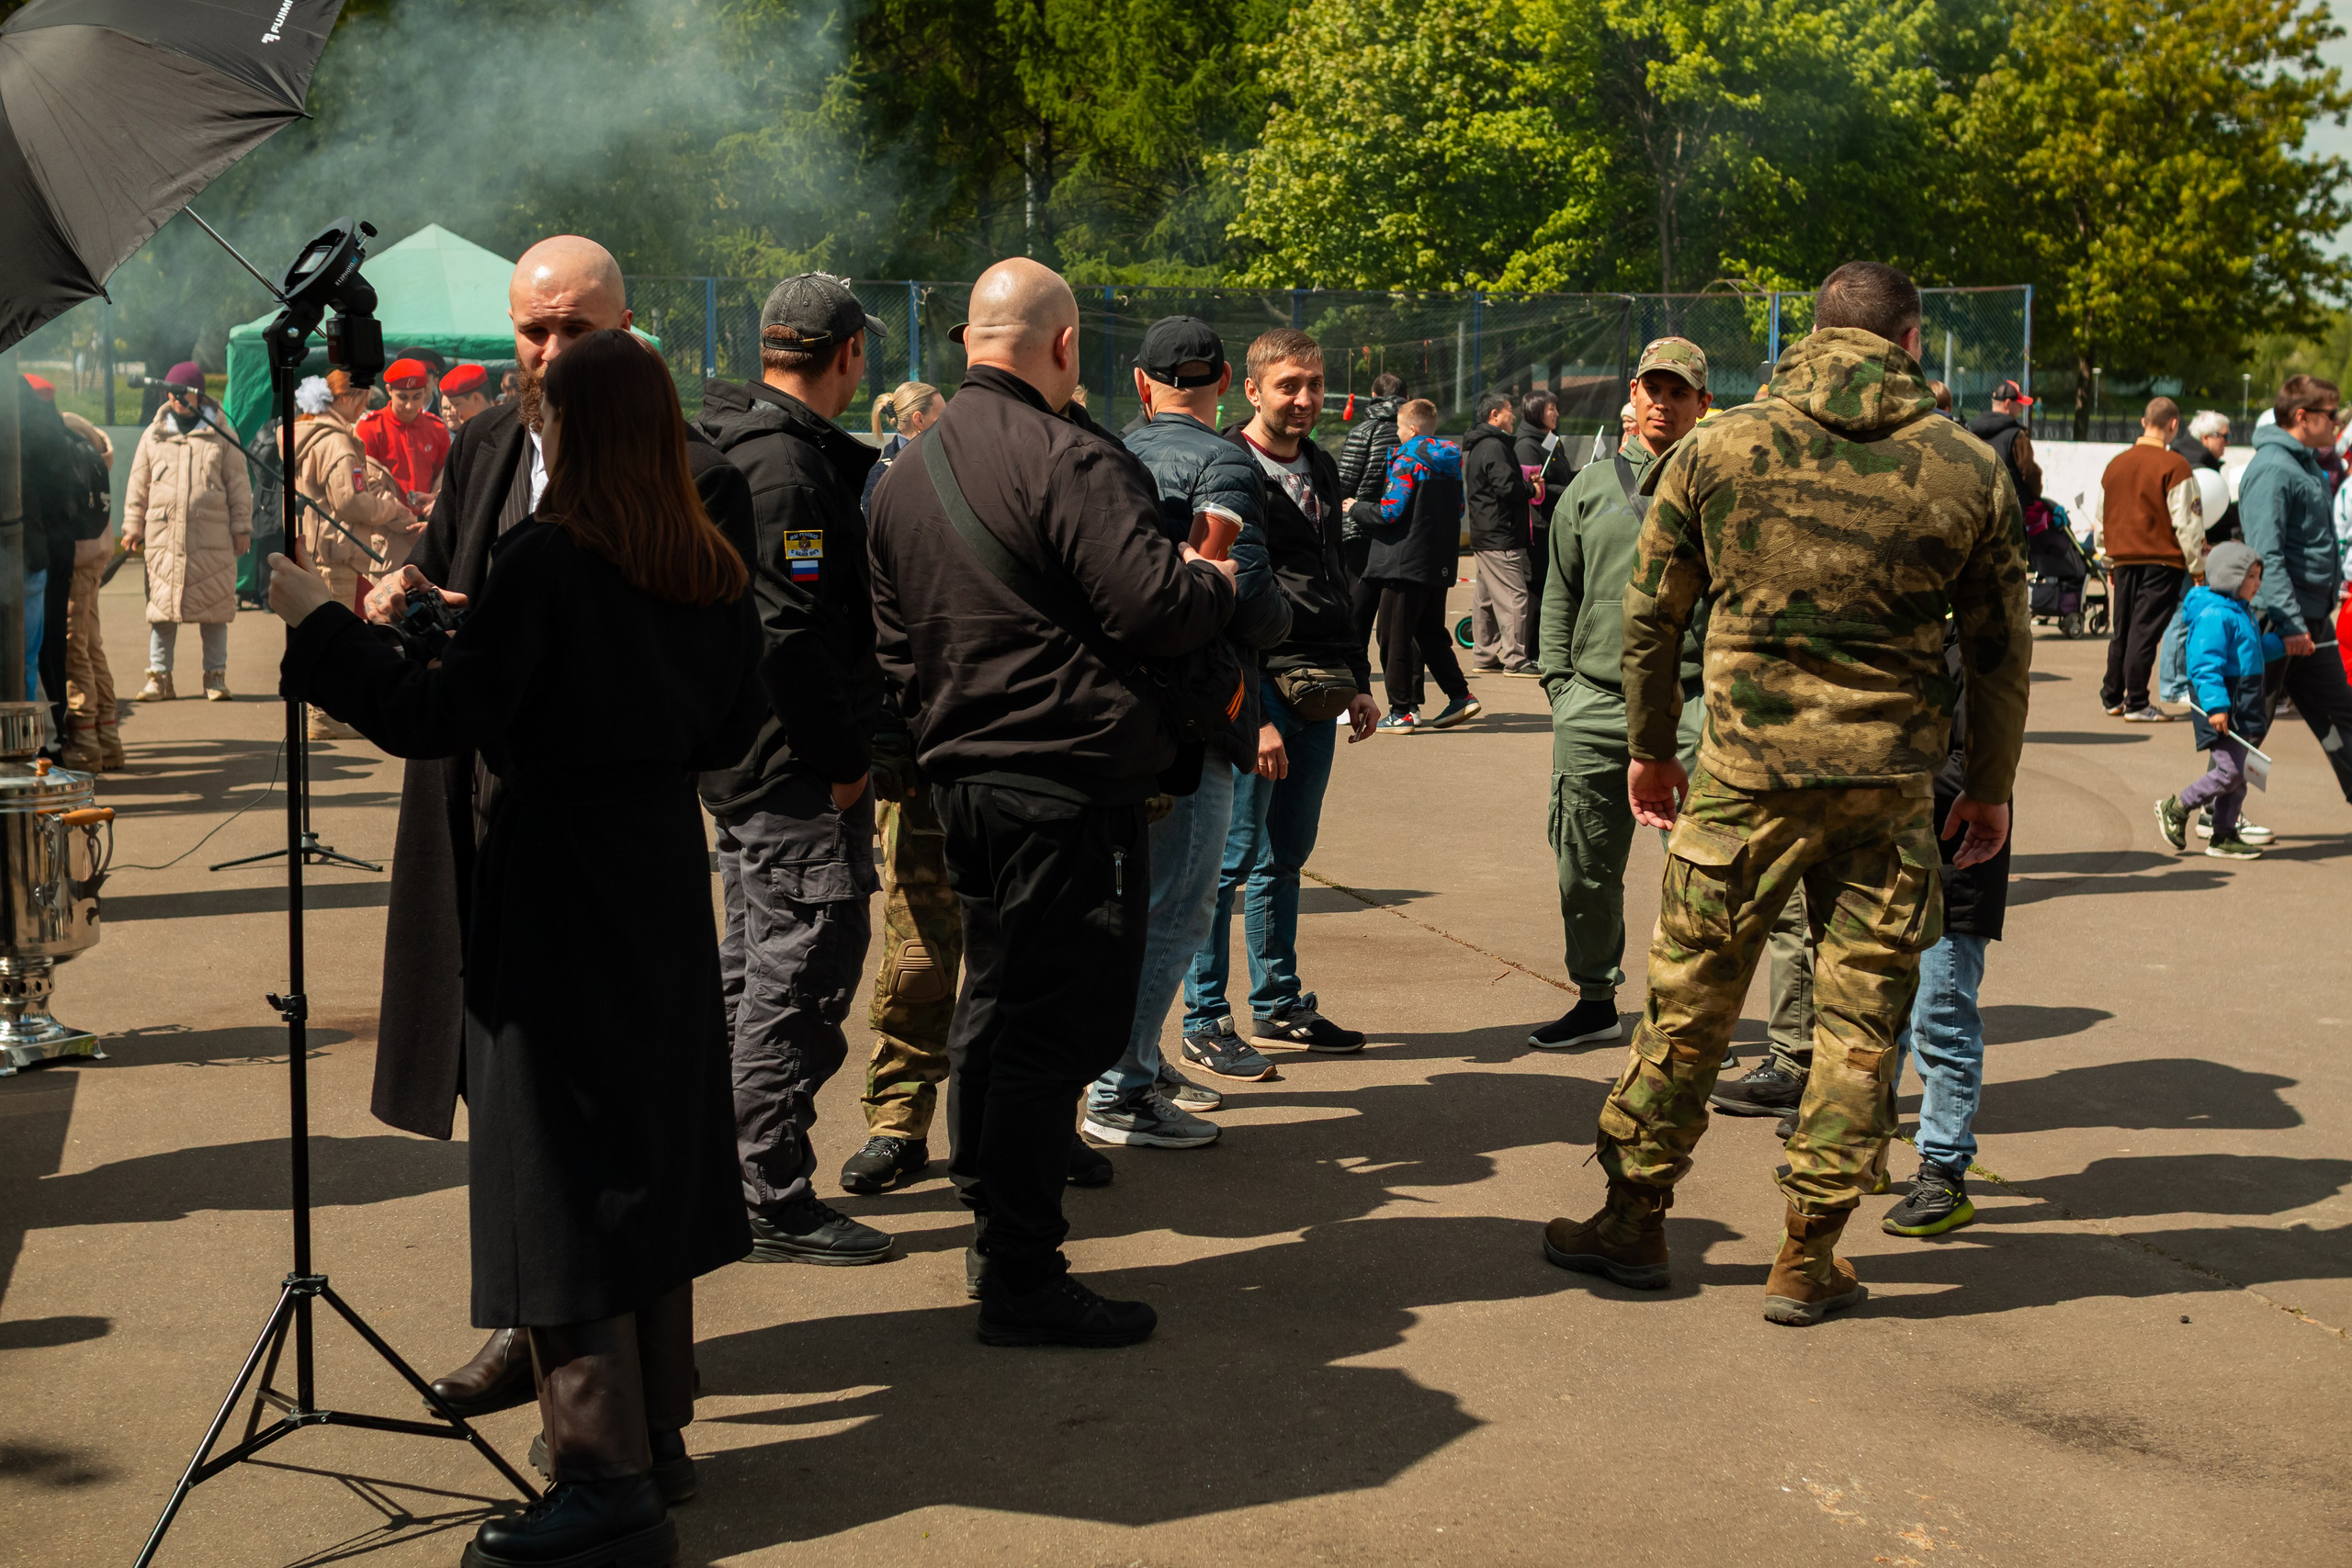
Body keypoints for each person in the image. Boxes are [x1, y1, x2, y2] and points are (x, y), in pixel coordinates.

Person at [270, 328, 757, 1568]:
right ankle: (656, 1428)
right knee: (635, 1149)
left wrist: (319, 629)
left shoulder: (550, 558)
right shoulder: (700, 559)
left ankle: (602, 1476)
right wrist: (466, 630)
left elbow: (440, 718)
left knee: (557, 1176)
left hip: (554, 887)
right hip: (651, 876)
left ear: (568, 434)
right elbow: (708, 712)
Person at [1542, 260, 2030, 1327]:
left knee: (1688, 1004)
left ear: (1811, 333)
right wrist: (1987, 787)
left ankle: (1632, 1222)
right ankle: (1807, 1256)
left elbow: (1649, 619)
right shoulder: (1965, 466)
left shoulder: (1717, 448)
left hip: (1740, 782)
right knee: (1860, 1028)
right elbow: (1998, 653)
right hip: (1889, 793)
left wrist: (1646, 748)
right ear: (1911, 342)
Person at [356, 236, 755, 1425]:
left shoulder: (701, 476)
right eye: (533, 330)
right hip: (481, 817)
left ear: (629, 330)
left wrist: (498, 641)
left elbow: (685, 659)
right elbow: (448, 576)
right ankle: (534, 1326)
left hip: (591, 832)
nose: (548, 354)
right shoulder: (483, 445)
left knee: (613, 1115)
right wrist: (407, 598)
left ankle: (619, 1422)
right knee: (509, 1094)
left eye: (575, 330)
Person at [865, 256, 1236, 1347]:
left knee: (999, 1001)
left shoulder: (904, 470)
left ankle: (997, 1216)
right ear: (1066, 346)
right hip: (1065, 786)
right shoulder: (1073, 455)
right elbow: (1157, 606)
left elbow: (890, 651)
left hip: (965, 783)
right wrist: (1209, 575)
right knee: (1052, 1021)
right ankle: (1022, 1266)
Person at [694, 274, 892, 1266]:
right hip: (790, 775)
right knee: (797, 980)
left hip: (756, 768)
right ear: (848, 353)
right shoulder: (786, 469)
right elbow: (791, 634)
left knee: (752, 980)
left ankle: (735, 1176)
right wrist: (845, 764)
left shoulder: (759, 447)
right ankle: (767, 1192)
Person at [1080, 316, 1292, 1150]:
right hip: (1199, 713)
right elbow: (1242, 588)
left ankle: (1140, 1057)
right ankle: (1120, 1087)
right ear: (1227, 379)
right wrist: (1277, 626)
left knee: (1141, 900)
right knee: (1176, 905)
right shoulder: (1225, 460)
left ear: (1141, 383)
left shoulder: (1110, 454)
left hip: (1118, 709)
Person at [1183, 328, 1383, 1076]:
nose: (1304, 399)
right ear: (1253, 390)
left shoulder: (1323, 467)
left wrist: (1359, 678)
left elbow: (1335, 575)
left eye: (1315, 383)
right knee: (1226, 863)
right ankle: (1204, 1016)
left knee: (1284, 856)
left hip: (1318, 685)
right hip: (1255, 684)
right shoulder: (1227, 468)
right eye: (1289, 384)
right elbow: (1220, 595)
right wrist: (1252, 714)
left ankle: (1278, 1002)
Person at [1530, 337, 1712, 1050]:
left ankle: (1688, 1009)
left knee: (1701, 870)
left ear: (1702, 405)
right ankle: (1595, 996)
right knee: (1584, 859)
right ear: (1632, 396)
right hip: (1596, 703)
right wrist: (1560, 688)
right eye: (1652, 389)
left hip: (1693, 704)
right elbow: (1558, 595)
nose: (1663, 403)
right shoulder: (1588, 487)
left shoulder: (1717, 486)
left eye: (1679, 392)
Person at [1878, 619, 2017, 1236]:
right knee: (1877, 1012)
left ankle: (1943, 1170)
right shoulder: (1894, 631)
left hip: (1955, 860)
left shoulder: (1982, 647)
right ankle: (1861, 1146)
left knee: (1942, 1019)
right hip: (1886, 859)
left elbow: (1974, 768)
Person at [2238, 373, 2352, 809]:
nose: (2337, 423)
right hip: (2278, 621)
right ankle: (2217, 813)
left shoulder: (2304, 463)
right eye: (2331, 414)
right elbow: (2266, 553)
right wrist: (2287, 622)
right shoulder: (2273, 468)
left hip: (2308, 619)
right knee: (2252, 723)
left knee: (2341, 713)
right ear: (2302, 416)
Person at [289, 371, 417, 740]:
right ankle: (324, 717)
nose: (365, 407)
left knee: (321, 626)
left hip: (319, 543)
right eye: (362, 399)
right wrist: (389, 510)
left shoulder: (313, 434)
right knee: (333, 630)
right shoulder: (338, 443)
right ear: (348, 399)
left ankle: (323, 714)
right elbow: (350, 501)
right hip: (336, 546)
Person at [1349, 399, 1478, 732]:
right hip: (1439, 561)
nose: (1397, 433)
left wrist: (1356, 508)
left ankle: (1402, 709)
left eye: (1400, 428)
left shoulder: (1407, 459)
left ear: (1413, 429)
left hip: (1403, 561)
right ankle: (1460, 695)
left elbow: (1390, 511)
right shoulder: (1451, 458)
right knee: (1430, 632)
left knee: (1393, 635)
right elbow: (1460, 510)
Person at [124, 363, 250, 704]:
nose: (181, 399)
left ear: (200, 394)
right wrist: (132, 525)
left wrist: (242, 527)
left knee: (215, 610)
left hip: (212, 539)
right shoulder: (153, 434)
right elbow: (139, 483)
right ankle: (159, 677)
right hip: (164, 539)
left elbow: (239, 483)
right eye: (175, 393)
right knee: (162, 611)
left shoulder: (222, 432)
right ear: (167, 393)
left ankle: (216, 677)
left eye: (187, 393)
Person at [2154, 543, 2278, 863]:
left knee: (2243, 774)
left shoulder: (2239, 609)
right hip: (2225, 707)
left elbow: (2250, 653)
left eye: (2259, 576)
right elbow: (2204, 665)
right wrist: (2216, 706)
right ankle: (2178, 806)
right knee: (2230, 771)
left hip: (2243, 704)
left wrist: (2282, 646)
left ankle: (2224, 835)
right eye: (2251, 576)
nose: (2257, 583)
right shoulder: (2215, 613)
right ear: (2229, 577)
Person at [2098, 398, 2204, 722]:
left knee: (2124, 628)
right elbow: (2187, 522)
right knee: (2145, 631)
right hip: (2161, 560)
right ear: (2173, 425)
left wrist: (2107, 560)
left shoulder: (2115, 464)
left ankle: (2113, 696)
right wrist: (2197, 567)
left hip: (2123, 557)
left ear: (2144, 422)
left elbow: (2104, 517)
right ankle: (2138, 702)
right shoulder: (2176, 466)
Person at [52, 401, 121, 769]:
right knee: (91, 646)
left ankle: (85, 746)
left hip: (77, 553)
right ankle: (108, 741)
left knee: (73, 647)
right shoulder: (86, 432)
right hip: (98, 546)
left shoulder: (61, 429)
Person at [1463, 390, 1539, 676]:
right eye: (1509, 410)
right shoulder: (1493, 445)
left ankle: (1484, 653)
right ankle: (1516, 659)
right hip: (1500, 534)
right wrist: (1532, 489)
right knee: (1515, 595)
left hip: (1486, 534)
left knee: (1485, 598)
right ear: (1494, 415)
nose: (1514, 415)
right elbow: (1507, 487)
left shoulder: (1480, 445)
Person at [357, 356, 452, 540]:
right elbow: (365, 482)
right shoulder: (369, 428)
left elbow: (446, 477)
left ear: (426, 390)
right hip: (383, 529)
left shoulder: (437, 428)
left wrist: (435, 500)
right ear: (389, 390)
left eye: (417, 397)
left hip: (427, 525)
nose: (410, 405)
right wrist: (401, 516)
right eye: (403, 397)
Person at [1516, 389, 1572, 660]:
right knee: (1536, 587)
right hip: (1538, 527)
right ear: (1537, 410)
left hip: (1553, 522)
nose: (1557, 414)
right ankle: (1530, 650)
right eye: (1552, 409)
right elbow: (1536, 489)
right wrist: (1567, 492)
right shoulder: (1527, 445)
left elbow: (1557, 475)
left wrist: (1578, 477)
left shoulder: (1551, 441)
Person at [1335, 371, 1406, 581]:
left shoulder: (1363, 431)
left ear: (1373, 394)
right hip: (1399, 530)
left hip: (1360, 526)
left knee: (1355, 603)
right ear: (1407, 399)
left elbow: (1344, 482)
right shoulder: (1416, 436)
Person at [860, 379, 942, 513]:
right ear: (919, 420)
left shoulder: (941, 461)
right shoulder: (882, 475)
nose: (947, 421)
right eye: (941, 416)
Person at [1967, 378, 2042, 506]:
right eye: (2019, 404)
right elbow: (2030, 474)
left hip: (1976, 506)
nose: (2021, 409)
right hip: (2008, 510)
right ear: (2008, 403)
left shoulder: (1971, 431)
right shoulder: (2017, 436)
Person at [440, 362, 495, 430]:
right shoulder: (466, 433)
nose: (454, 411)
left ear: (476, 398)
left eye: (457, 404)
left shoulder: (508, 427)